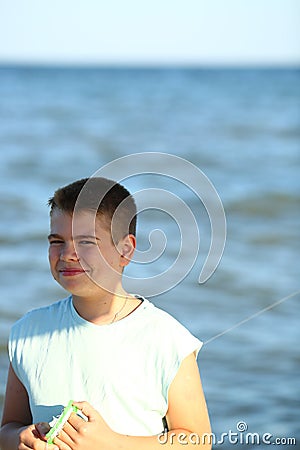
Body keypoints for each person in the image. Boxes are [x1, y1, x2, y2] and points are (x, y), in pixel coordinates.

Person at [0, 177, 211, 450]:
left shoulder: (167, 340)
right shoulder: (28, 333)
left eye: (86, 242)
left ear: (125, 250)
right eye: (57, 240)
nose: (67, 254)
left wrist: (112, 443)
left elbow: (198, 440)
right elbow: (8, 428)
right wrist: (20, 439)